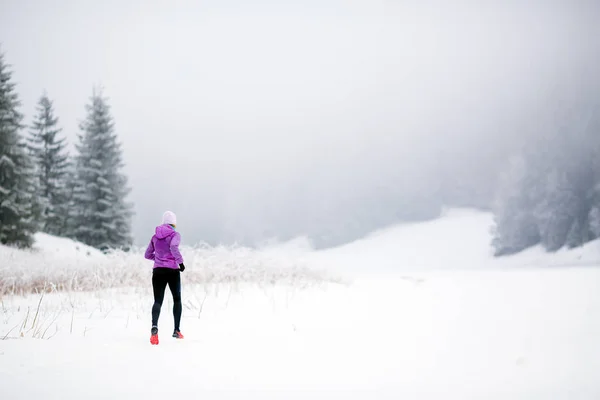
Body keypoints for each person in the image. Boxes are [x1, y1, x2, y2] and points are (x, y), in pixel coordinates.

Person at [144, 210, 186, 345]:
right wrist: (180, 262)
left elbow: (147, 254)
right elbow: (174, 247)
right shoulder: (175, 235)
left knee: (158, 301)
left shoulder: (155, 237)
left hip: (158, 271)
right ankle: (176, 330)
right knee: (177, 299)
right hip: (172, 271)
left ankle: (154, 328)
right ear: (174, 223)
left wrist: (158, 258)